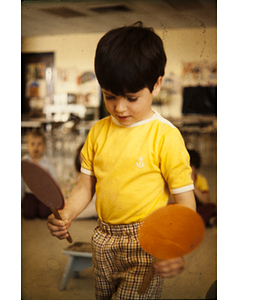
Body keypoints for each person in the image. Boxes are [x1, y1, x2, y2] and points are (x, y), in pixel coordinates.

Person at [47, 22, 196, 299]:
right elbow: (84, 187)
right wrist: (67, 213)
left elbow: (184, 201)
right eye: (110, 96)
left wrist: (175, 246)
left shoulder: (166, 136)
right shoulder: (98, 131)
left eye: (132, 97)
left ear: (157, 84)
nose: (120, 107)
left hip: (147, 241)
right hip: (103, 239)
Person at [21, 129, 58, 219]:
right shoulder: (24, 162)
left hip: (44, 195)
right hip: (29, 193)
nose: (36, 147)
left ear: (44, 146)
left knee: (44, 214)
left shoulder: (47, 163)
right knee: (28, 215)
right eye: (32, 144)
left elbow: (54, 180)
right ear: (27, 146)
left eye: (39, 144)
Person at [188, 149, 216, 227]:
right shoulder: (179, 179)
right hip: (186, 210)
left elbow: (206, 201)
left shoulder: (201, 180)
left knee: (211, 207)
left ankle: (197, 222)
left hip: (197, 210)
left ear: (196, 168)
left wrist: (192, 185)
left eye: (190, 166)